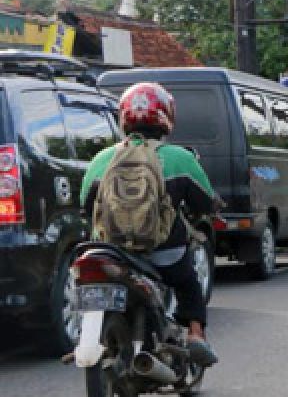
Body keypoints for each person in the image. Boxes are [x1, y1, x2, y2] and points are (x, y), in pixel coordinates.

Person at [80, 82, 220, 366]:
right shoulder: (181, 158)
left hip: (111, 252)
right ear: (166, 117)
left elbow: (85, 206)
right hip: (163, 252)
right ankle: (195, 335)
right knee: (189, 283)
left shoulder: (101, 160)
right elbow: (205, 205)